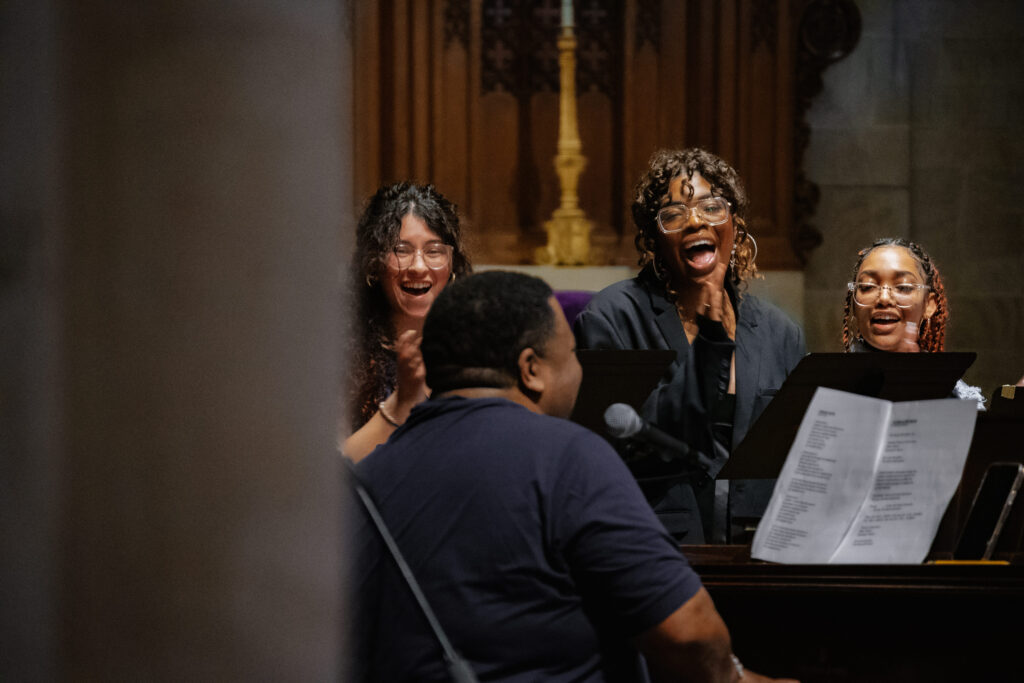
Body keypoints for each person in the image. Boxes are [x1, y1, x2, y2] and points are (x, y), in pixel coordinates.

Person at [348, 271, 796, 683]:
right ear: (532, 369)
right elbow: (690, 636)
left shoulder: (363, 481)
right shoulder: (568, 458)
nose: (579, 370)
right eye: (571, 356)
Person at [574, 148, 805, 544]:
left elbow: (798, 456)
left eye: (711, 207)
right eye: (674, 214)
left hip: (758, 549)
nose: (695, 221)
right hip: (660, 546)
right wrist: (711, 346)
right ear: (653, 238)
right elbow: (621, 447)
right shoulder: (613, 318)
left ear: (736, 224)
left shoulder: (779, 332)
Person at [342, 182, 472, 462]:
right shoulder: (341, 355)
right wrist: (400, 404)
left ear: (452, 265)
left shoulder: (474, 348)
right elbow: (330, 468)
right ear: (373, 266)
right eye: (401, 250)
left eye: (434, 251)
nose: (418, 266)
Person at [842, 237, 985, 408]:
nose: (884, 299)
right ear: (854, 304)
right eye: (867, 286)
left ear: (929, 305)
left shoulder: (956, 397)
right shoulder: (826, 387)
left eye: (903, 287)